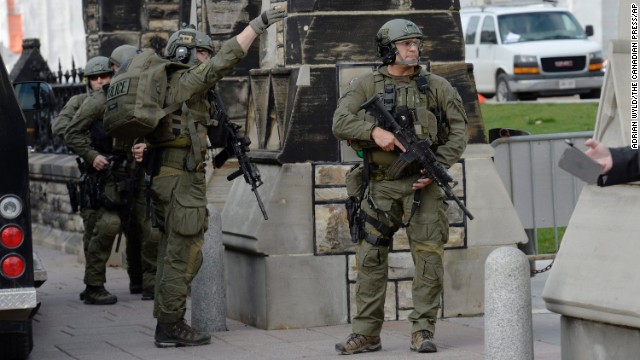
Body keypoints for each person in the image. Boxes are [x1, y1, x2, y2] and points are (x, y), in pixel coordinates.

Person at [131, 7, 286, 348]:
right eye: (202, 52)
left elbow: (192, 131)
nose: (207, 58)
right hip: (179, 180)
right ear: (184, 53)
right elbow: (223, 62)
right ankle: (170, 325)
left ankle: (168, 319)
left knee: (180, 249)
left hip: (175, 177)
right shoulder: (183, 80)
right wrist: (257, 25)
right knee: (184, 251)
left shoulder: (180, 90)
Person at [332, 19, 468, 354]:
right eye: (405, 43)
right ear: (387, 49)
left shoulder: (436, 86)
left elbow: (459, 133)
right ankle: (366, 333)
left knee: (428, 260)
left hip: (424, 187)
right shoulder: (365, 86)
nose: (413, 49)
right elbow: (340, 121)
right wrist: (374, 131)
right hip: (380, 187)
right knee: (370, 259)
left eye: (415, 43)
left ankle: (423, 330)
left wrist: (437, 166)